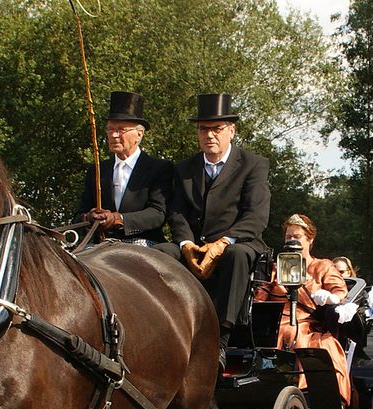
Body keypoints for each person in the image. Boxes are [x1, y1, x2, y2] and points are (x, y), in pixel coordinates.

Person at [155, 93, 270, 361]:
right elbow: (177, 212)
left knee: (236, 255)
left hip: (238, 242)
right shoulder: (185, 168)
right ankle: (163, 327)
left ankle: (220, 340)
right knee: (160, 252)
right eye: (203, 129)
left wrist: (224, 242)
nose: (210, 135)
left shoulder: (254, 165)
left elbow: (256, 216)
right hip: (195, 244)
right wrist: (185, 245)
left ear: (231, 130)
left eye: (217, 129)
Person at [255, 214, 352, 404]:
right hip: (274, 322)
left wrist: (329, 297)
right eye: (288, 237)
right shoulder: (275, 267)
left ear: (310, 240)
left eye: (297, 237)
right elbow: (261, 296)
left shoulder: (322, 266)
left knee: (297, 335)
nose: (292, 241)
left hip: (308, 323)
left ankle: (304, 389)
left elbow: (340, 292)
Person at [75, 91, 171, 246]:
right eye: (110, 129)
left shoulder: (158, 168)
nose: (113, 135)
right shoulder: (98, 170)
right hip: (100, 245)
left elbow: (158, 213)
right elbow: (79, 214)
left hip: (141, 243)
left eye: (120, 130)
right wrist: (90, 217)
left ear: (139, 135)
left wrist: (119, 220)